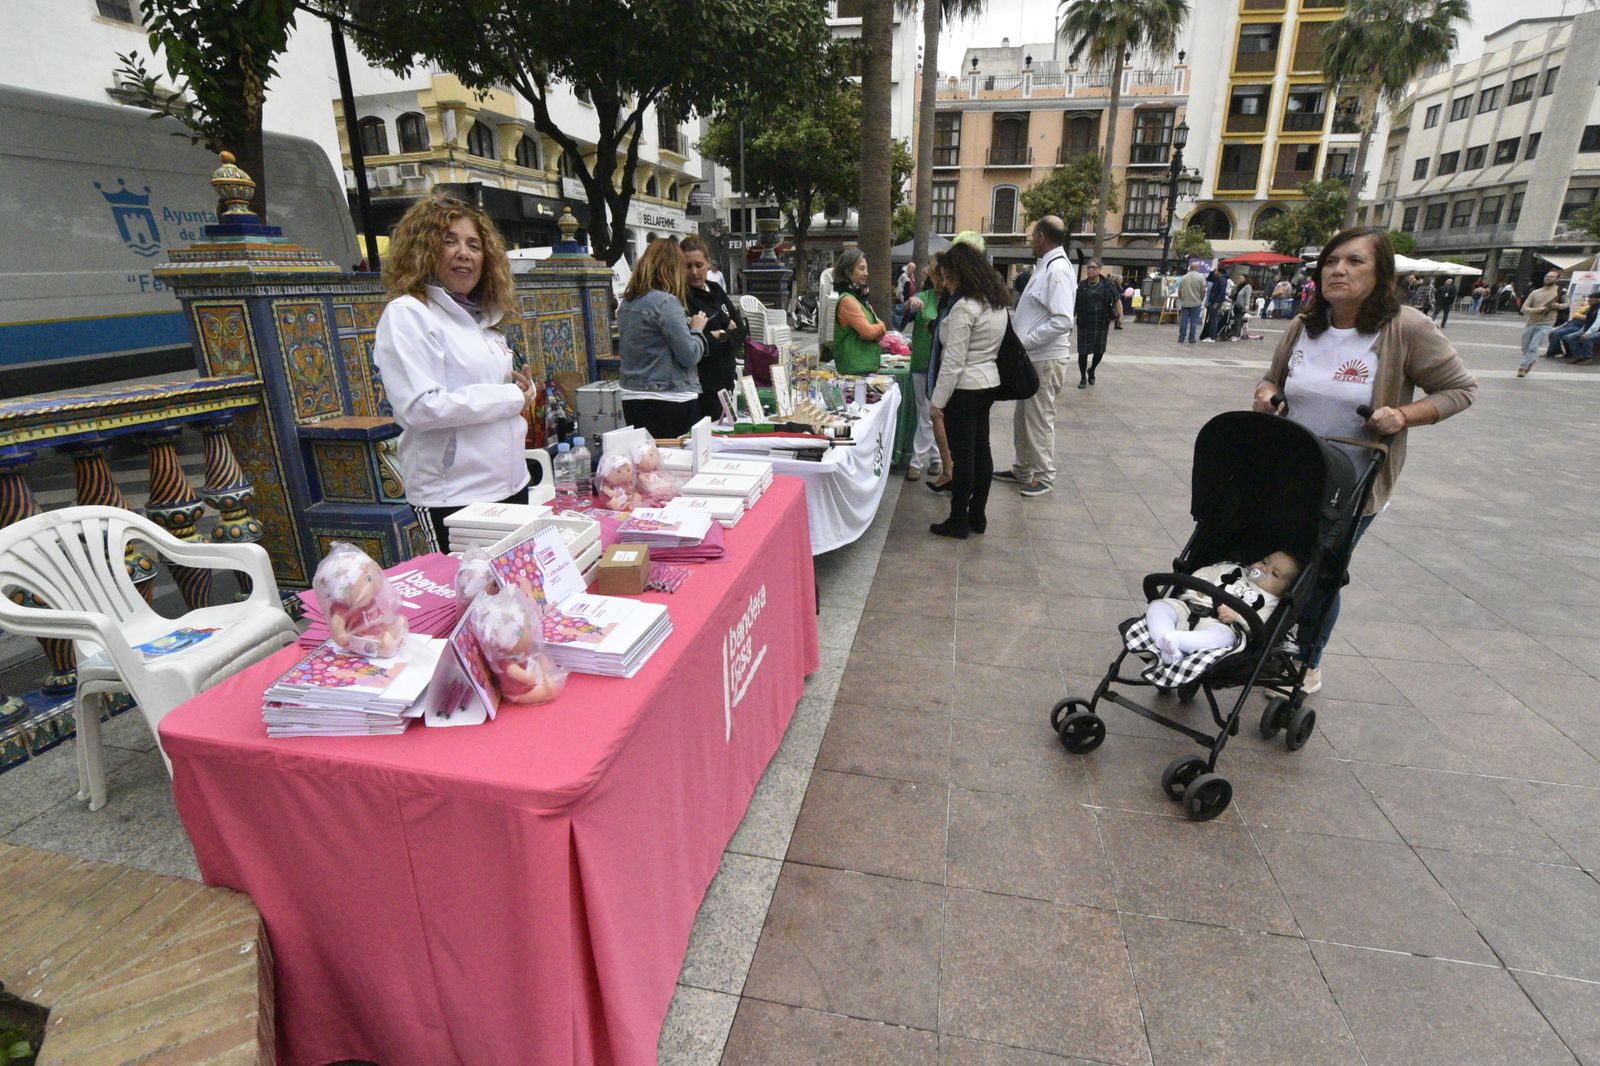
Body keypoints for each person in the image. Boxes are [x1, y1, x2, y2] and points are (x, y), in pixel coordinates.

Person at [1252, 226, 1477, 693]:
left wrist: (1402, 414)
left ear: (1381, 274)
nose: (1338, 270)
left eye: (1355, 261)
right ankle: (1262, 642)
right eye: (1332, 261)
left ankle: (1307, 661)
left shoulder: (1407, 328)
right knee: (1277, 561)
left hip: (1354, 483)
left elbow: (1461, 390)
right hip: (1291, 474)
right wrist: (1267, 395)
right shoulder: (1303, 325)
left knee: (1321, 572)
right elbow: (1271, 381)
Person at [373, 196, 533, 554]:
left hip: (511, 484)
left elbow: (485, 391)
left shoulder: (485, 322)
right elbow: (421, 408)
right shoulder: (409, 315)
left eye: (474, 245)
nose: (464, 253)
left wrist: (521, 390)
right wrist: (510, 399)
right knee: (466, 599)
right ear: (423, 250)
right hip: (456, 497)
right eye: (450, 241)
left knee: (514, 599)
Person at [928, 242, 1007, 539]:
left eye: (948, 277)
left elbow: (953, 362)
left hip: (965, 388)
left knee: (963, 458)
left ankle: (958, 519)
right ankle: (978, 515)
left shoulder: (965, 308)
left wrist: (937, 403)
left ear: (961, 274)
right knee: (981, 451)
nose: (945, 284)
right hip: (987, 383)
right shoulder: (995, 302)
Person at [995, 216, 1075, 498]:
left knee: (1039, 417)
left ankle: (1043, 474)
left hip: (1044, 357)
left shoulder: (1057, 270)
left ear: (1042, 236)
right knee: (1023, 416)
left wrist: (1025, 342)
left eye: (1032, 236)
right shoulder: (1047, 266)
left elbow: (1063, 320)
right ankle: (1023, 468)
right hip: (1034, 357)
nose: (1030, 240)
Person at [617, 238, 709, 438]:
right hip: (672, 398)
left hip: (632, 397)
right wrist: (697, 329)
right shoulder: (666, 303)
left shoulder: (627, 304)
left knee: (647, 463)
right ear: (673, 268)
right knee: (678, 464)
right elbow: (689, 355)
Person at [1144, 553, 1301, 665]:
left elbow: (1261, 625)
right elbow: (1208, 571)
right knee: (1159, 607)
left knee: (1223, 637)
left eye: (1274, 573)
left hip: (1221, 624)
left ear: (1283, 590)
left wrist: (1238, 617)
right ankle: (1166, 642)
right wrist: (1203, 581)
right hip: (1187, 607)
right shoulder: (1232, 569)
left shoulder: (1271, 602)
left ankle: (1175, 641)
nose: (1264, 569)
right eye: (1264, 561)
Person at [681, 235, 743, 421]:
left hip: (727, 383)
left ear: (708, 263)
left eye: (698, 265)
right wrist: (726, 332)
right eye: (687, 266)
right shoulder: (681, 298)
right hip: (702, 389)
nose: (694, 272)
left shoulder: (716, 289)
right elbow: (694, 347)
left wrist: (718, 335)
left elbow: (740, 330)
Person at [902, 255, 945, 482]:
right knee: (926, 412)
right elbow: (901, 312)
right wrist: (909, 304)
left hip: (942, 367)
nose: (941, 279)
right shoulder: (923, 297)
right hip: (921, 364)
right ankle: (934, 458)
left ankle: (919, 460)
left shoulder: (952, 302)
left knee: (932, 413)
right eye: (937, 274)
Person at [831, 248, 887, 374]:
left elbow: (877, 335)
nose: (866, 273)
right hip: (855, 372)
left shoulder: (860, 300)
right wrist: (881, 326)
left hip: (865, 368)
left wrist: (875, 330)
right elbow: (869, 332)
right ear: (848, 272)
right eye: (861, 269)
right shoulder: (848, 301)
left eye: (866, 269)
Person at [1075, 258, 1121, 388]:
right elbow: (1075, 304)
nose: (1090, 270)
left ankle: (1092, 370)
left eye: (1093, 267)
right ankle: (1083, 377)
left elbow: (1117, 300)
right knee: (1082, 352)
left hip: (1100, 322)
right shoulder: (1081, 285)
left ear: (1100, 269)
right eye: (1089, 267)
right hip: (1084, 322)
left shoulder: (1108, 284)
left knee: (1099, 352)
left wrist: (1120, 316)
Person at [1517, 270, 1569, 378]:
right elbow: (1524, 308)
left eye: (1551, 277)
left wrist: (1557, 306)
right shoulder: (1535, 292)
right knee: (1525, 346)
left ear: (1557, 279)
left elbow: (1567, 304)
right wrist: (1536, 310)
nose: (1548, 278)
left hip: (1547, 323)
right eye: (1547, 276)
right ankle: (1530, 360)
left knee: (1533, 346)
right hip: (1531, 322)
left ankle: (1523, 367)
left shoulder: (1560, 292)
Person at [1545, 292, 1599, 357]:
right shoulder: (1590, 307)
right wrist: (1580, 315)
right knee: (1552, 333)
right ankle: (1557, 351)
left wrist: (1580, 317)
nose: (1588, 300)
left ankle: (1578, 356)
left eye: (1591, 298)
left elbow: (1590, 320)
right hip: (1573, 323)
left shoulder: (1597, 309)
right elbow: (1576, 313)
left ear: (1597, 299)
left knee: (1558, 334)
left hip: (1580, 325)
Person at [1177, 263, 1206, 343]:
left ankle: (1181, 337)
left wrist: (1181, 298)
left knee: (1183, 321)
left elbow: (1179, 290)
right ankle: (1191, 338)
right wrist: (1201, 298)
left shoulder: (1184, 277)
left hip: (1185, 302)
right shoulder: (1201, 277)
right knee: (1194, 321)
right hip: (1196, 302)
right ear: (1197, 267)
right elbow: (1203, 290)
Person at [1200, 268, 1229, 341]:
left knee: (1214, 319)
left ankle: (1212, 337)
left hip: (1216, 301)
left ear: (1220, 272)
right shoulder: (1218, 278)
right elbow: (1209, 279)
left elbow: (1221, 292)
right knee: (1211, 319)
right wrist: (1212, 271)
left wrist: (1217, 302)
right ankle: (1209, 335)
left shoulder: (1222, 279)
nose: (1215, 272)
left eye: (1216, 271)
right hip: (1213, 300)